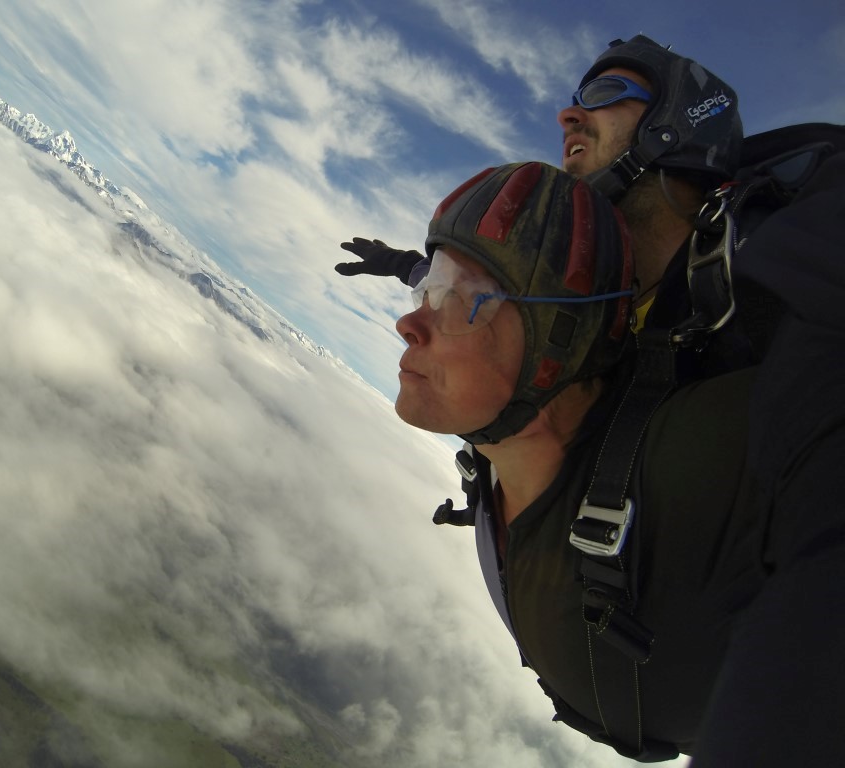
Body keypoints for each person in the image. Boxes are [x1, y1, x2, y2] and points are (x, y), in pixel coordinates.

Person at [391, 159, 845, 764]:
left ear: (558, 337)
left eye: (461, 299)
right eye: (429, 290)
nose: (408, 323)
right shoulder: (494, 455)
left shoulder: (701, 458)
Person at [339, 36, 747, 367]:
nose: (566, 115)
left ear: (675, 125)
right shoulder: (578, 286)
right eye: (576, 100)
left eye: (604, 93)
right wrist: (401, 264)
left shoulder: (760, 287)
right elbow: (482, 300)